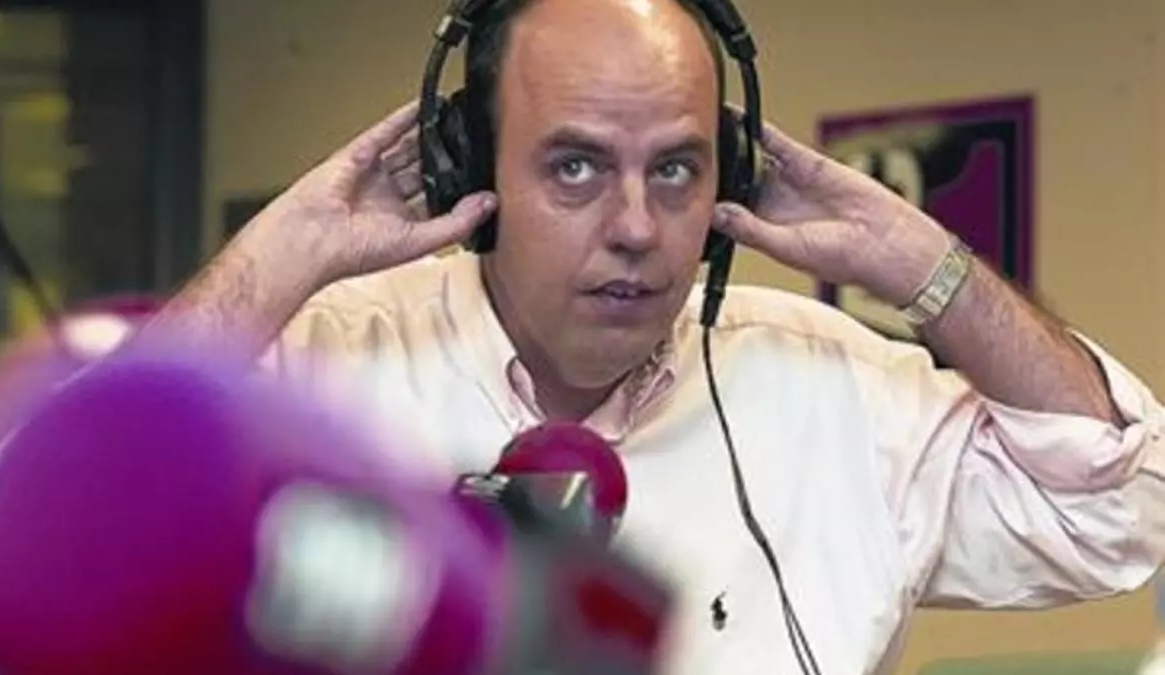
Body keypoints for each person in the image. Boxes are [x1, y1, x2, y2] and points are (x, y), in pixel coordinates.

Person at [145, 0, 1165, 672]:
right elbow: (56, 532)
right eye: (576, 167)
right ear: (474, 169)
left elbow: (1122, 512)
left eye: (675, 169)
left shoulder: (835, 390)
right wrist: (282, 253)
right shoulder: (310, 375)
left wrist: (926, 265)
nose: (637, 226)